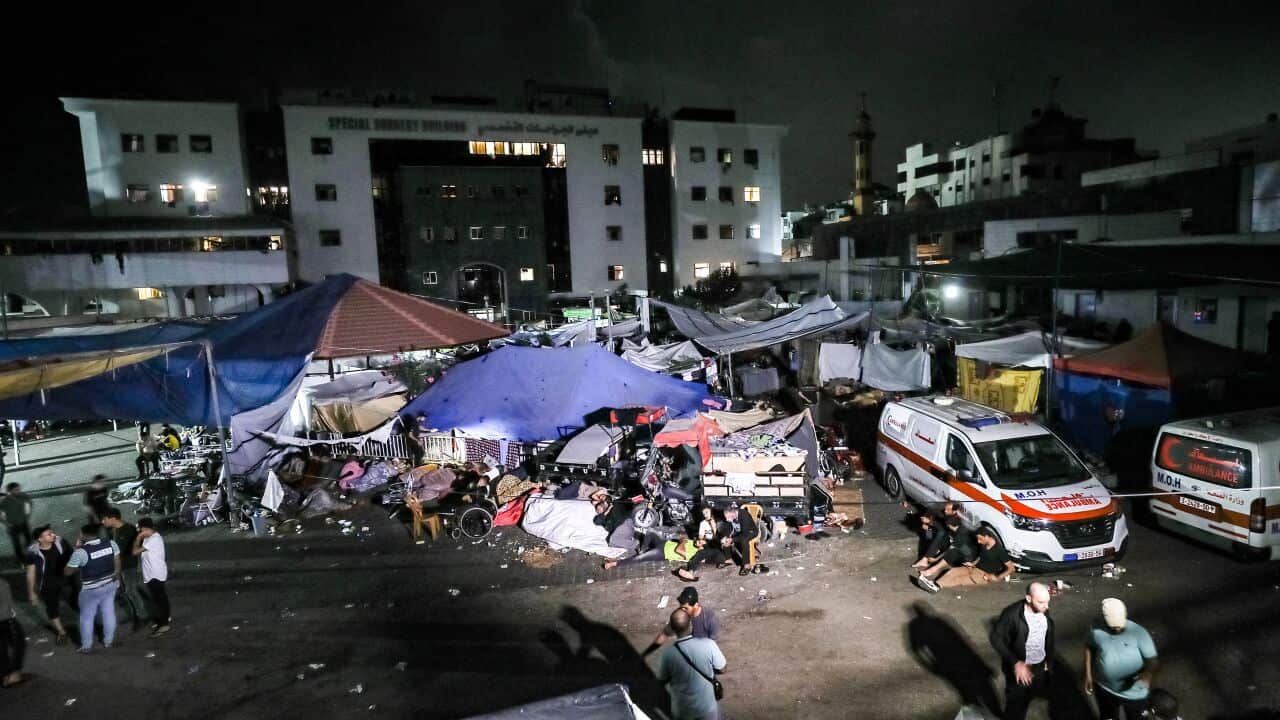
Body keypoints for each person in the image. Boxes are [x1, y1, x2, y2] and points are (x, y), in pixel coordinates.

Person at [989, 582, 1055, 720]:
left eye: (1047, 602)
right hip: (1021, 669)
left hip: (1040, 666)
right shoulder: (1012, 614)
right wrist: (1016, 663)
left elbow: (1047, 636)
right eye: (1042, 602)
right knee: (1015, 707)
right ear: (1029, 599)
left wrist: (1048, 661)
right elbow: (995, 638)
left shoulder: (1043, 610)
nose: (1046, 606)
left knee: (1031, 697)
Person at [1084, 598, 1158, 720]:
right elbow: (1089, 647)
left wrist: (1147, 674)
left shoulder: (1139, 633)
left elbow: (1152, 660)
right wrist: (1088, 675)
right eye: (1113, 627)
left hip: (1133, 694)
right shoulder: (1096, 628)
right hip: (1104, 688)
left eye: (1120, 625)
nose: (1117, 629)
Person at [655, 608, 726, 720]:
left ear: (673, 629)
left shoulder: (667, 654)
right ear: (691, 625)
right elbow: (722, 669)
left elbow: (661, 680)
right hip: (706, 707)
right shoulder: (708, 644)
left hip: (682, 710)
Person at [64, 524, 122, 653]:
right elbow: (117, 562)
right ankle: (108, 641)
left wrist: (76, 549)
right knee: (109, 612)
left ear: (84, 535)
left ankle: (86, 646)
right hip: (110, 584)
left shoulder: (81, 552)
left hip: (91, 590)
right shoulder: (111, 543)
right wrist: (116, 577)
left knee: (86, 617)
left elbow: (67, 572)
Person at [917, 527, 1014, 592]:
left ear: (987, 536)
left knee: (960, 580)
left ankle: (936, 587)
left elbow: (1011, 568)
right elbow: (981, 556)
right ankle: (934, 584)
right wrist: (973, 563)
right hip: (974, 567)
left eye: (980, 539)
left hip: (984, 574)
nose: (979, 542)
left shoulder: (999, 550)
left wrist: (997, 577)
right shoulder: (984, 545)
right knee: (953, 571)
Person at [24, 525, 74, 643]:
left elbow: (73, 556)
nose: (53, 535)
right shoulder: (33, 552)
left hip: (65, 579)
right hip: (47, 584)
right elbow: (30, 573)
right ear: (40, 539)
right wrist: (32, 593)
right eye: (49, 534)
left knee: (75, 601)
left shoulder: (61, 542)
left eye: (52, 533)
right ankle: (62, 632)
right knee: (52, 608)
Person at [643, 587, 721, 658]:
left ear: (696, 605)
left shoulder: (710, 620)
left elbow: (712, 646)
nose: (682, 610)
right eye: (681, 606)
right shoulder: (681, 616)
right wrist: (646, 653)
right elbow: (664, 635)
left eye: (685, 608)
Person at [134, 517, 170, 636]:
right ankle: (164, 619)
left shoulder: (153, 540)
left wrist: (138, 537)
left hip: (155, 574)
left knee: (159, 599)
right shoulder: (150, 538)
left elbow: (135, 552)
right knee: (160, 598)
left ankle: (164, 624)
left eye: (140, 529)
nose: (139, 532)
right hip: (152, 573)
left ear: (144, 528)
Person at [0, 576, 26, 687]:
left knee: (1, 646)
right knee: (18, 642)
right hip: (4, 619)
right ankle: (13, 674)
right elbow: (7, 607)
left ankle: (4, 675)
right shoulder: (2, 584)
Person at [720, 504, 759, 576]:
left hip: (750, 531)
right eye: (726, 517)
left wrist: (732, 539)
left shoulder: (744, 515)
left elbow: (745, 533)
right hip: (739, 531)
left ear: (733, 513)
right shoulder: (731, 516)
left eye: (728, 517)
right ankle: (728, 559)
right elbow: (727, 527)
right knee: (725, 539)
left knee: (744, 541)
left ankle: (747, 565)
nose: (727, 519)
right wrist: (725, 537)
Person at [0, 483, 34, 564]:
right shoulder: (4, 501)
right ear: (9, 491)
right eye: (16, 490)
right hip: (12, 526)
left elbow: (29, 503)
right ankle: (20, 559)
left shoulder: (23, 496)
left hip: (23, 523)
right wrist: (6, 523)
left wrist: (27, 515)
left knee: (29, 538)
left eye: (19, 489)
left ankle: (32, 554)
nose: (18, 491)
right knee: (16, 543)